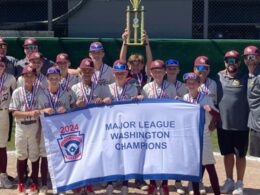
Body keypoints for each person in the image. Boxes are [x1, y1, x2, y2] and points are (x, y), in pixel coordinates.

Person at [37, 67, 76, 195]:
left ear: (60, 79)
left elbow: (72, 109)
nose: (54, 80)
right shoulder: (41, 94)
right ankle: (43, 185)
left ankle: (64, 185)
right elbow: (36, 111)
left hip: (61, 130)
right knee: (44, 156)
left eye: (56, 78)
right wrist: (44, 111)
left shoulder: (65, 94)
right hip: (46, 130)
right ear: (47, 79)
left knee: (62, 156)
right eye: (51, 78)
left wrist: (66, 110)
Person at [215, 50, 249, 195]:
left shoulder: (246, 77)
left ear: (239, 63)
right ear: (225, 62)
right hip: (223, 124)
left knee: (240, 156)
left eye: (234, 60)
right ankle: (229, 181)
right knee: (227, 154)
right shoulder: (218, 77)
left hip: (241, 124)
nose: (231, 63)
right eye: (228, 60)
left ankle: (239, 183)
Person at [141, 60, 177, 195]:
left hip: (166, 127)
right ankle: (152, 184)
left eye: (160, 71)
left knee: (165, 156)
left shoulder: (171, 87)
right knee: (152, 157)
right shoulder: (146, 88)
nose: (158, 74)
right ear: (150, 73)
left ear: (165, 72)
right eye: (155, 71)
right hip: (151, 127)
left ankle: (165, 184)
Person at [104, 59, 139, 195]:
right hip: (111, 127)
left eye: (122, 73)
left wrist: (138, 100)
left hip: (127, 127)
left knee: (125, 155)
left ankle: (125, 183)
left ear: (127, 73)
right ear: (113, 73)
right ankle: (110, 183)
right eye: (117, 73)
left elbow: (135, 109)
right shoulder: (107, 88)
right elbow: (99, 106)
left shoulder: (132, 88)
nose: (120, 75)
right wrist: (102, 101)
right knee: (110, 155)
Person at [182, 72, 220, 195]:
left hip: (204, 135)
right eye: (188, 83)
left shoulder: (206, 98)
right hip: (190, 137)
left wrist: (211, 114)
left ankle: (217, 193)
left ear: (199, 84)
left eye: (194, 83)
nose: (191, 85)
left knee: (209, 166)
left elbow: (218, 116)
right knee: (195, 169)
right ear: (186, 84)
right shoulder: (185, 98)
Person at [9, 65, 41, 195]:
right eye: (26, 76)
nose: (28, 78)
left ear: (35, 78)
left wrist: (40, 130)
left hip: (35, 126)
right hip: (21, 127)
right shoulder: (17, 92)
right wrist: (29, 113)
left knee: (34, 154)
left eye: (31, 76)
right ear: (22, 78)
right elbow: (14, 113)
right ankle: (21, 182)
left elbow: (41, 112)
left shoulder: (39, 92)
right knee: (21, 154)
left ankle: (34, 182)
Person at [164, 58, 187, 194]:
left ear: (178, 70)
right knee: (165, 153)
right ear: (166, 70)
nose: (172, 70)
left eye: (174, 68)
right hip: (164, 125)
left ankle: (178, 181)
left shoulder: (183, 86)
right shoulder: (161, 84)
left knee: (178, 153)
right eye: (169, 68)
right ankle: (165, 182)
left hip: (178, 125)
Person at [0, 56, 16, 189]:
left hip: (3, 112)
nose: (0, 66)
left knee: (2, 145)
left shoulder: (10, 78)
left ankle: (3, 175)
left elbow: (15, 93)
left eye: (2, 63)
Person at [243, 45, 260, 159]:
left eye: (253, 56)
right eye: (247, 57)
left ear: (259, 58)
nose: (250, 60)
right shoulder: (249, 76)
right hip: (254, 126)